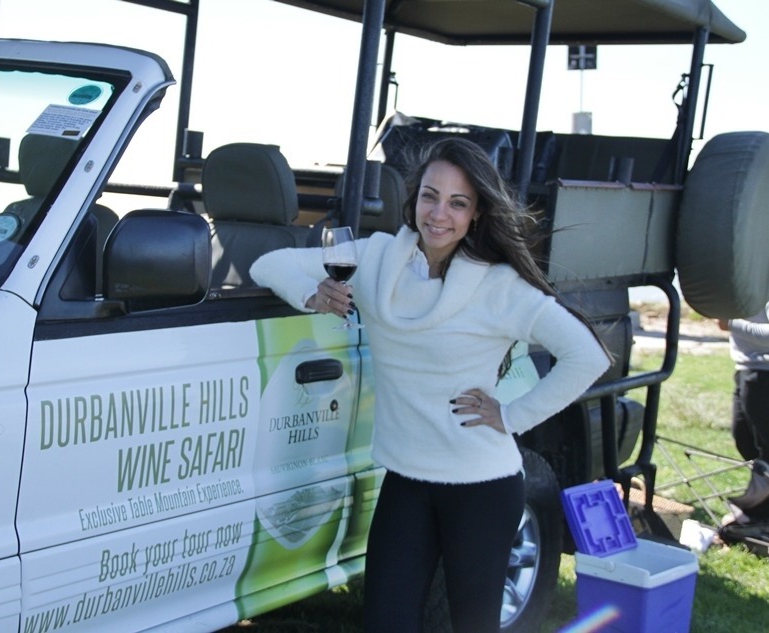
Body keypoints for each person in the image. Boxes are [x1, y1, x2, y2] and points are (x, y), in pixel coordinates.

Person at [249, 137, 611, 632]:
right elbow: (268, 264)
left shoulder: (499, 287)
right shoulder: (376, 258)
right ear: (414, 197)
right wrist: (312, 294)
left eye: (458, 203)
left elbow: (587, 356)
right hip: (405, 482)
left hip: (482, 488)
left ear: (477, 213)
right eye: (430, 196)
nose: (439, 214)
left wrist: (511, 416)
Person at [718, 257, 769, 475]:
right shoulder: (757, 273)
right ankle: (765, 492)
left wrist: (731, 324)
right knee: (744, 438)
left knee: (768, 445)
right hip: (750, 366)